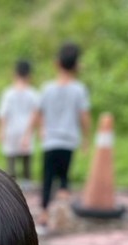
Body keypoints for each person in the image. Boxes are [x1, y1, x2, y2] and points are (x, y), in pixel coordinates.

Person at [29, 41, 91, 231]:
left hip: (50, 141)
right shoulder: (79, 89)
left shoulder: (47, 88)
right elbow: (84, 116)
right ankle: (63, 215)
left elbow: (38, 113)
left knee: (47, 178)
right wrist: (86, 138)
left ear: (57, 63)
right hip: (68, 141)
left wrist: (38, 130)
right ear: (77, 65)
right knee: (64, 178)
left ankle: (44, 215)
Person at [0, 59, 40, 183]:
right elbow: (35, 114)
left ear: (14, 74)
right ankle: (27, 184)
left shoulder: (8, 93)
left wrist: (0, 131)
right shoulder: (33, 93)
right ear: (29, 76)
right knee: (26, 160)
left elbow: (2, 114)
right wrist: (30, 132)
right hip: (26, 129)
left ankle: (10, 184)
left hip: (10, 130)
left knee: (11, 160)